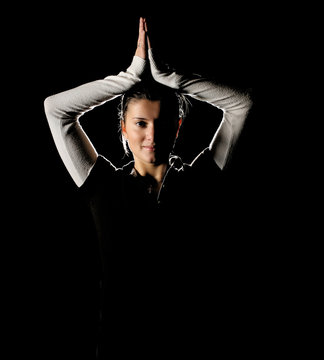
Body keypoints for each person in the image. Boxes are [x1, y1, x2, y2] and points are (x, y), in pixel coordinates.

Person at [44, 17, 253, 360]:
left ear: (178, 125)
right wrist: (129, 76)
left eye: (163, 122)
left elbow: (242, 104)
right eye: (140, 123)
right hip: (118, 352)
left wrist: (174, 79)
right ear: (123, 129)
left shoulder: (200, 179)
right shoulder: (103, 186)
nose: (152, 135)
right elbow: (56, 110)